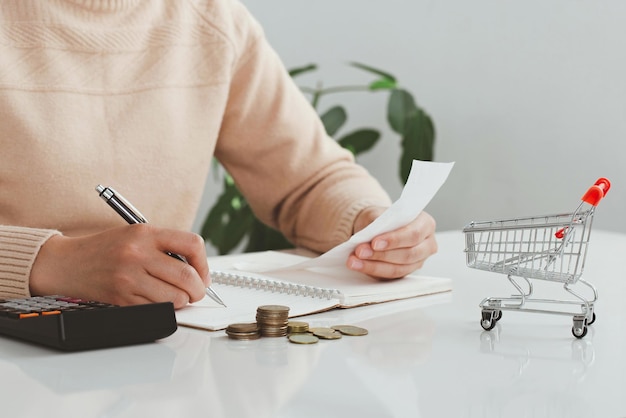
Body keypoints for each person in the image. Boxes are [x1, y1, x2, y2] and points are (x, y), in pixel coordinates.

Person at [0, 0, 437, 309]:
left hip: (161, 356)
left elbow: (310, 179)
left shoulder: (212, 19)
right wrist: (48, 263)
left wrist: (373, 226)